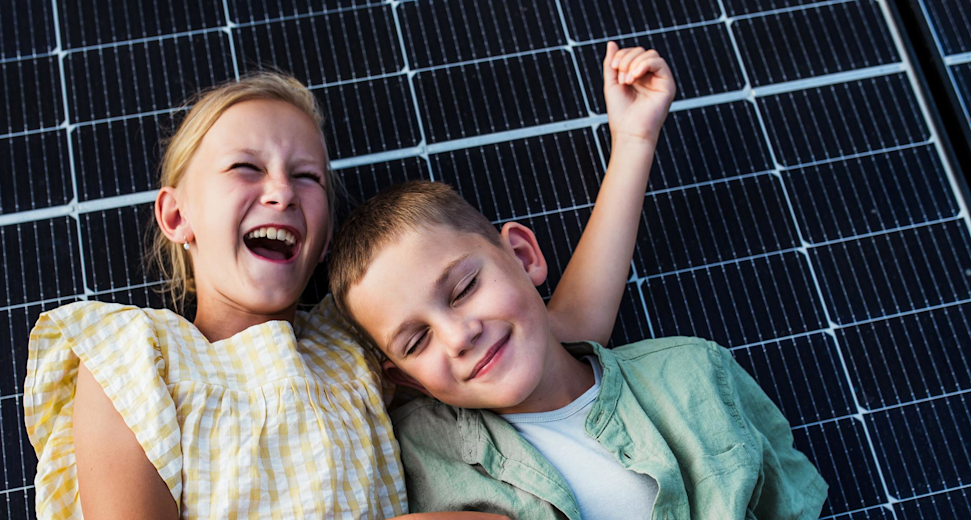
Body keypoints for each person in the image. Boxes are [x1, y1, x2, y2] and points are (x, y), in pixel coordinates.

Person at [22, 43, 654, 518]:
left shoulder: (354, 349)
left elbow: (563, 330)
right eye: (246, 167)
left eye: (309, 178)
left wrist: (633, 141)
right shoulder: (133, 355)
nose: (281, 192)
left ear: (322, 237)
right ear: (177, 214)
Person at [327, 47, 829, 519]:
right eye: (417, 341)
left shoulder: (695, 375)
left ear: (523, 256)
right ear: (410, 380)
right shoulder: (416, 456)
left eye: (463, 290)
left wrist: (634, 139)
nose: (460, 336)